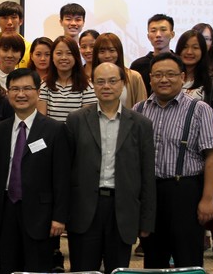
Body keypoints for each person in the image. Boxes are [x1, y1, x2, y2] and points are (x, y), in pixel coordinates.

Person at [133, 52, 213, 269]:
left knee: (188, 259)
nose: (164, 80)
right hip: (150, 192)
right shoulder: (139, 110)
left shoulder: (200, 109)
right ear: (151, 78)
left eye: (171, 74)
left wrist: (208, 199)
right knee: (153, 258)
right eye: (158, 75)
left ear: (182, 77)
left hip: (185, 191)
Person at [66, 62, 155, 274]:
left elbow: (147, 175)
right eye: (100, 81)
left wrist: (146, 220)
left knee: (118, 270)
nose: (107, 86)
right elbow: (65, 171)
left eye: (113, 81)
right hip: (85, 209)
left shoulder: (141, 124)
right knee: (83, 270)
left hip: (122, 209)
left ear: (123, 83)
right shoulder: (76, 120)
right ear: (92, 84)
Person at [0, 69, 70, 274]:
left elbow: (62, 176)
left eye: (27, 88)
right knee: (7, 267)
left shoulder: (55, 129)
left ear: (38, 92)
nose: (21, 94)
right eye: (15, 89)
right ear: (8, 94)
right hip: (5, 210)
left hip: (41, 215)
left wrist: (59, 217)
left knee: (37, 268)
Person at [38, 36, 95, 121]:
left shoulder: (87, 86)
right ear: (52, 57)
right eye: (59, 53)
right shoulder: (45, 85)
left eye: (69, 53)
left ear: (76, 57)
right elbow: (41, 119)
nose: (64, 58)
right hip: (52, 133)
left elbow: (87, 121)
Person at [91, 33, 147, 108]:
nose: (107, 55)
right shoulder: (87, 78)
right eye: (102, 51)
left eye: (112, 50)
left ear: (119, 52)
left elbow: (142, 108)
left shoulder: (134, 77)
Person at [175, 30, 213, 111]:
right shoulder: (170, 78)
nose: (189, 52)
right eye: (185, 47)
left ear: (203, 51)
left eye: (195, 47)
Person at [130, 14, 176, 95]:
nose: (158, 35)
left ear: (172, 34)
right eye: (153, 31)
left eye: (163, 30)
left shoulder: (179, 62)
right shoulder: (138, 65)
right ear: (148, 36)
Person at [0, 1, 31, 68]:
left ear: (21, 21)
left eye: (13, 17)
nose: (9, 22)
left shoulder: (29, 48)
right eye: (5, 18)